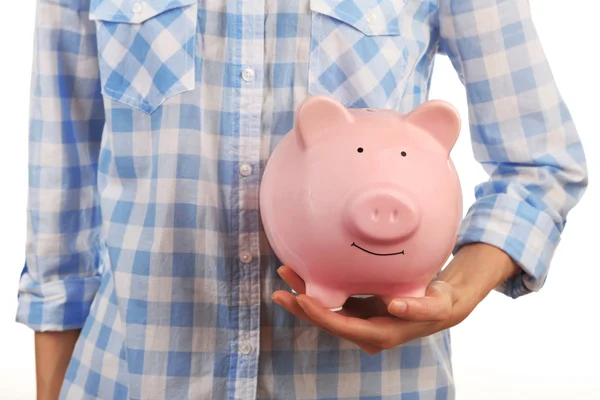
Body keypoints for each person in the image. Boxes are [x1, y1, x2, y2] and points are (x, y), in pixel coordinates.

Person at [16, 0, 587, 398]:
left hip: (370, 384)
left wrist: (455, 293)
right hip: (129, 378)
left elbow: (540, 160)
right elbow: (60, 189)